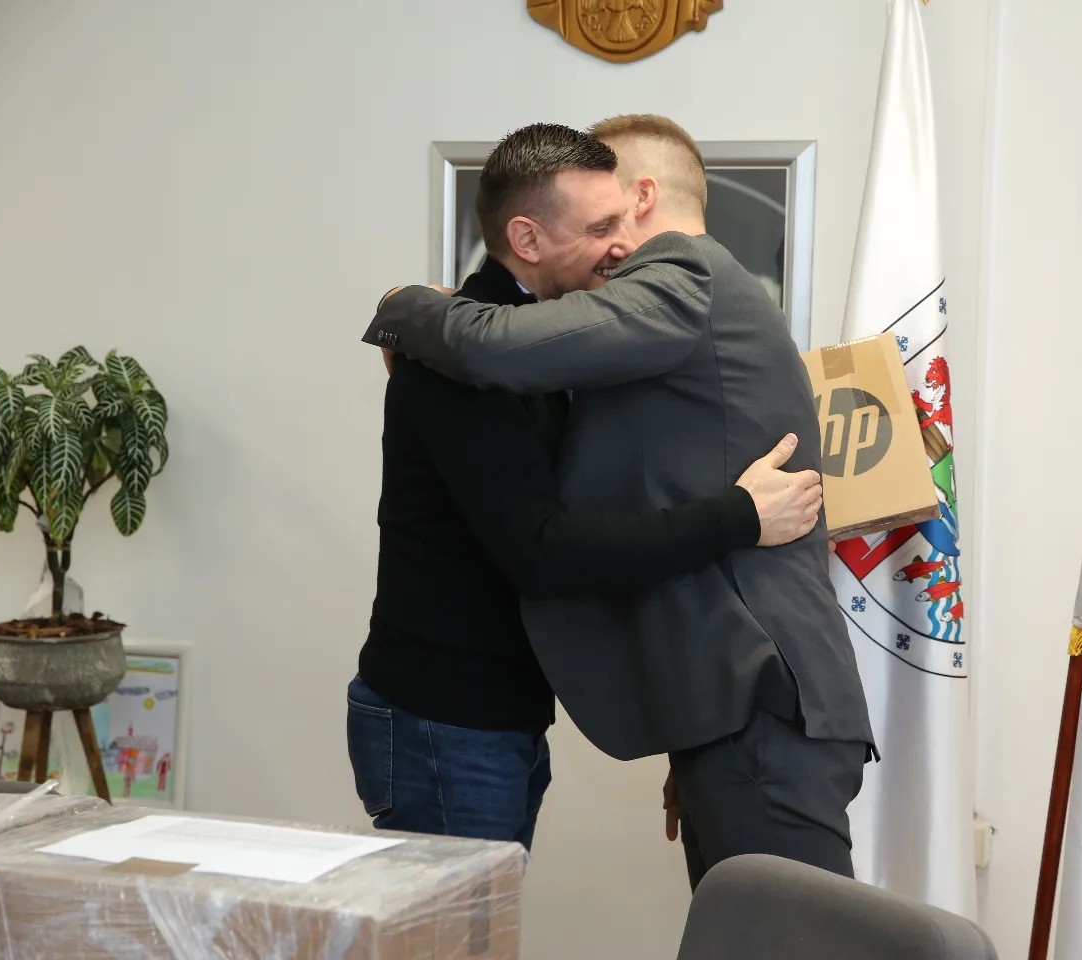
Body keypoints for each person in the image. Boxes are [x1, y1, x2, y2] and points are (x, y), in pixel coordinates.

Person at [363, 116, 874, 888]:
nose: (619, 244)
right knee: (754, 934)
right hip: (689, 708)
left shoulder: (683, 274)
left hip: (759, 704)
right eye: (599, 225)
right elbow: (550, 540)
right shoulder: (573, 347)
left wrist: (401, 305)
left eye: (619, 218)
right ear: (529, 237)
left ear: (644, 196)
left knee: (787, 936)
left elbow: (488, 347)